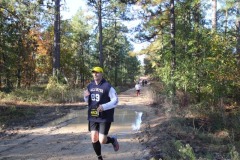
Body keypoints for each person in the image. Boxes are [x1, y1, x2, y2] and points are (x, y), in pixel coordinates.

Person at [84, 66, 119, 160]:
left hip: (105, 116)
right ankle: (99, 158)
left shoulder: (107, 86)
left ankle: (112, 140)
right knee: (94, 138)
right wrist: (86, 97)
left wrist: (104, 107)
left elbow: (116, 100)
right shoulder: (90, 86)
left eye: (97, 72)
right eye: (93, 72)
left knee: (102, 140)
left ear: (102, 74)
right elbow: (87, 100)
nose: (95, 74)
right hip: (93, 115)